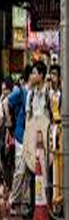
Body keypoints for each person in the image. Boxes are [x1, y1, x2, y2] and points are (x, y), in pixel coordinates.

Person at [8, 61, 51, 219]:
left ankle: (47, 208)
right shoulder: (30, 95)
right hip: (32, 140)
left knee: (46, 174)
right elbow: (28, 118)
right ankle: (33, 207)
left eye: (34, 73)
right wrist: (27, 141)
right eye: (31, 73)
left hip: (46, 141)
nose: (32, 76)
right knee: (32, 173)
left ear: (41, 75)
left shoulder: (48, 94)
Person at [4, 65, 32, 216]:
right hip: (20, 135)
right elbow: (5, 102)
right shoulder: (21, 91)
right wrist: (9, 121)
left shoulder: (34, 92)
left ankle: (25, 203)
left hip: (30, 136)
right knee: (20, 170)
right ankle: (12, 200)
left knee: (27, 172)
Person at [49, 64, 63, 208]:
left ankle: (58, 200)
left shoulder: (62, 93)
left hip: (60, 131)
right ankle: (53, 201)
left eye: (55, 74)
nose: (52, 77)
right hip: (51, 130)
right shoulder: (49, 93)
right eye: (51, 74)